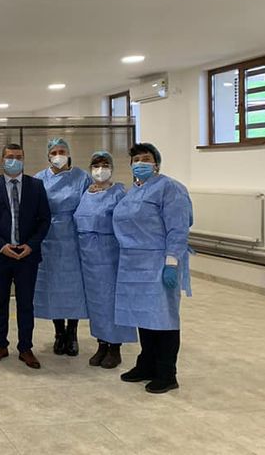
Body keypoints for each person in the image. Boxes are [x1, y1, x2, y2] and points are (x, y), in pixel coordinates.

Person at [114, 143, 192, 394]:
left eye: (145, 159)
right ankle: (146, 364)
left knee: (163, 317)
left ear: (156, 163)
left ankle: (167, 373)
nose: (140, 163)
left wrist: (172, 262)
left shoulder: (170, 188)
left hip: (158, 262)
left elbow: (178, 228)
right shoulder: (133, 192)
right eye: (136, 159)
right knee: (143, 316)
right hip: (133, 264)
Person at [0, 143, 50, 369]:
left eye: (18, 157)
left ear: (23, 159)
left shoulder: (36, 186)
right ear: (2, 159)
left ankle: (25, 348)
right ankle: (0, 345)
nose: (14, 160)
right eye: (10, 157)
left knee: (25, 304)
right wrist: (1, 245)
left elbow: (44, 219)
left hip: (27, 255)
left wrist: (31, 245)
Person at [74, 151, 137, 369]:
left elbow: (127, 224)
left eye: (104, 165)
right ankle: (101, 343)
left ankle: (115, 347)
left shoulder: (118, 193)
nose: (100, 169)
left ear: (111, 168)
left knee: (111, 302)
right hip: (88, 259)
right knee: (96, 304)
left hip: (110, 257)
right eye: (96, 165)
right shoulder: (86, 193)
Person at [34, 138, 91, 357]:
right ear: (48, 156)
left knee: (73, 288)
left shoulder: (82, 177)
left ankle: (72, 332)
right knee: (53, 287)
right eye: (54, 152)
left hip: (74, 238)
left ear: (69, 154)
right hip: (48, 239)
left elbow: (90, 205)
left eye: (62, 151)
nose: (58, 155)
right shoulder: (39, 179)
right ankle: (59, 332)